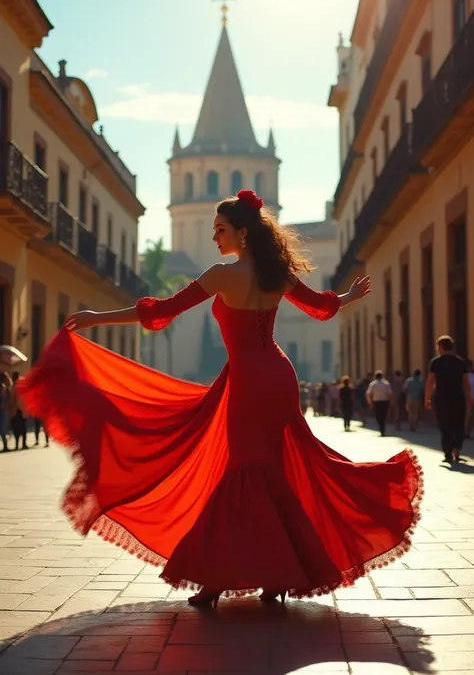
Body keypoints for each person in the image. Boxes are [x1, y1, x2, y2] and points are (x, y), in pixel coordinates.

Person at [18, 189, 423, 608]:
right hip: (278, 376)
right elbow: (320, 307)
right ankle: (272, 576)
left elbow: (161, 312)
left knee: (244, 471)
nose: (214, 237)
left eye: (221, 229)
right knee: (270, 472)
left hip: (249, 380)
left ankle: (217, 580)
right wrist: (346, 298)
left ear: (242, 233)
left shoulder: (220, 274)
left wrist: (98, 318)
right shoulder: (275, 273)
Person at [425, 335, 471, 463]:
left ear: (440, 347)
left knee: (445, 426)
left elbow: (430, 381)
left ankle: (448, 454)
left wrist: (427, 398)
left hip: (442, 399)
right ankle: (457, 448)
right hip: (458, 398)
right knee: (459, 425)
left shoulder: (435, 362)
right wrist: (468, 398)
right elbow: (466, 383)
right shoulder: (461, 362)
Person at [366, 371, 392, 436]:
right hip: (384, 401)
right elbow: (390, 393)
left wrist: (370, 402)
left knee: (378, 416)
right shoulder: (386, 384)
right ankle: (382, 428)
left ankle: (381, 427)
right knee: (384, 416)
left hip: (376, 402)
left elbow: (368, 394)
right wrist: (390, 401)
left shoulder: (373, 384)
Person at [0, 371, 12, 452]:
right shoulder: (4, 388)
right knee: (2, 429)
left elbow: (8, 400)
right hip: (3, 410)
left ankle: (5, 445)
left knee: (2, 429)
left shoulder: (5, 388)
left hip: (3, 411)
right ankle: (5, 445)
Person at [465, 360, 474, 438]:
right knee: (468, 417)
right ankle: (465, 432)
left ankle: (468, 432)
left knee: (471, 418)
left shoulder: (472, 376)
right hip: (467, 399)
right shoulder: (464, 376)